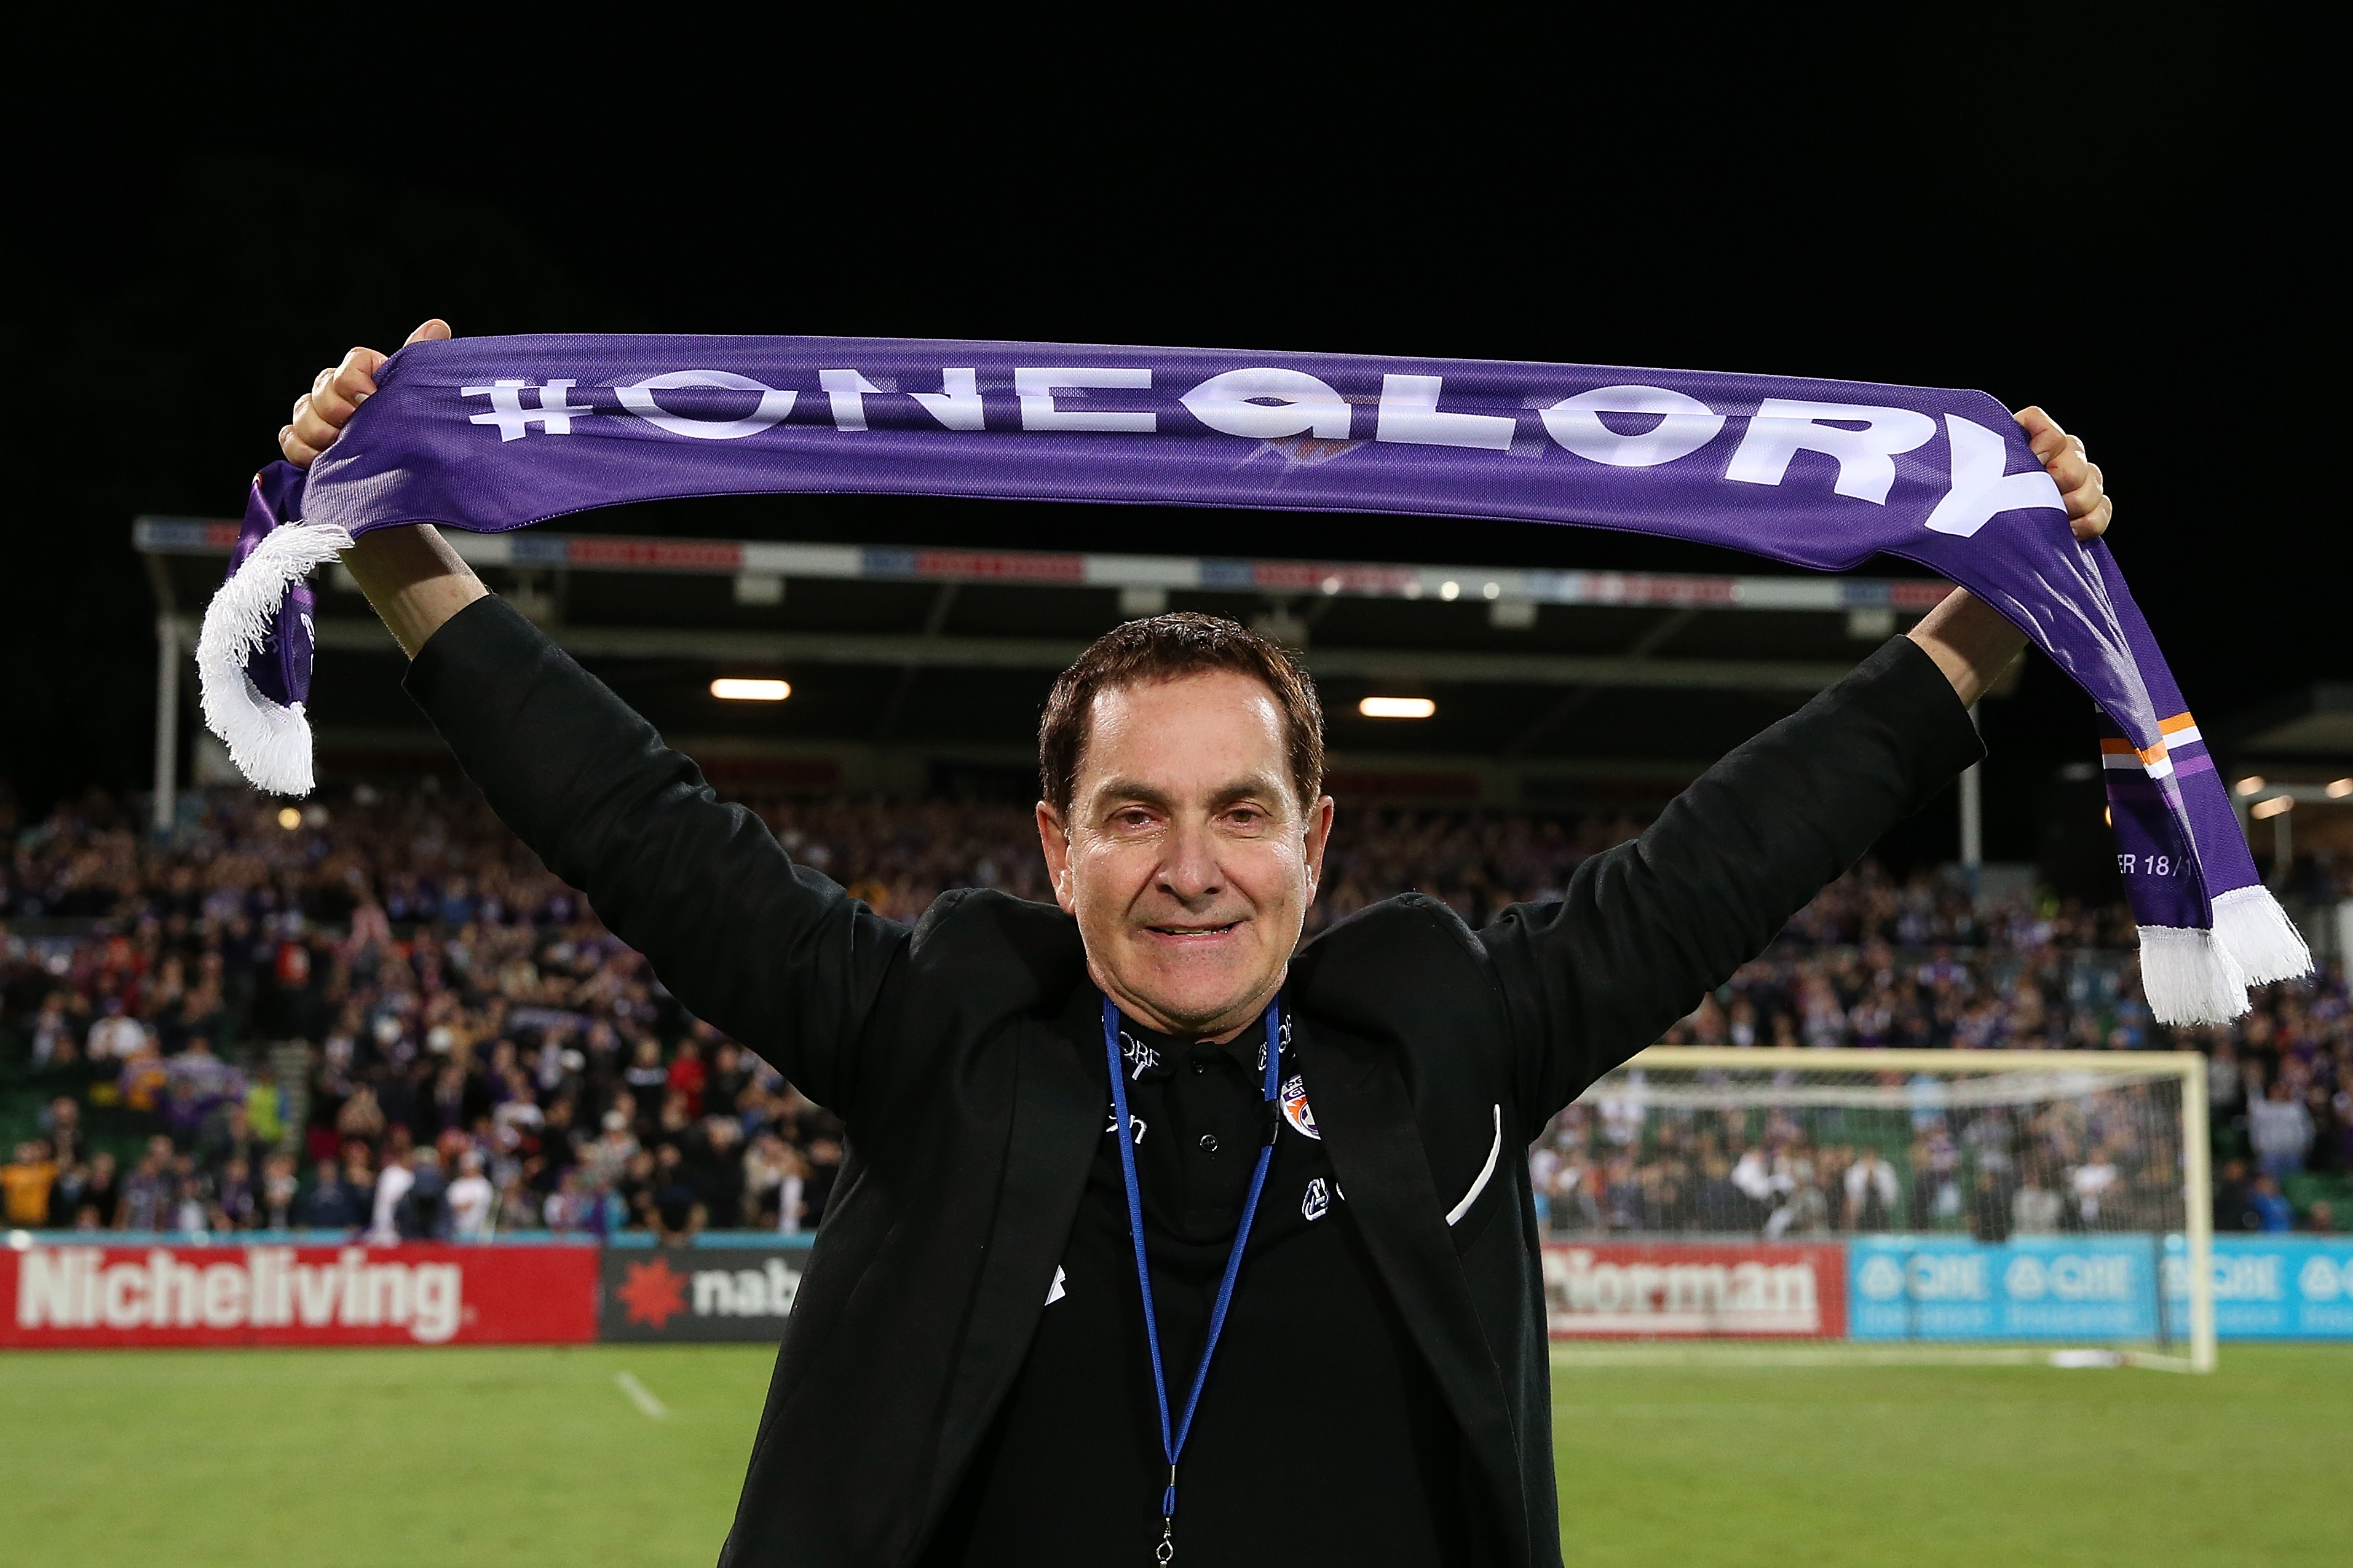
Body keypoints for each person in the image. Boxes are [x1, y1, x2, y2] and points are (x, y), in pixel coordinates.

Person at [285, 320, 2109, 1567]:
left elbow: (1727, 858)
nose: (1190, 867)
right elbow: (639, 828)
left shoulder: (1438, 1042)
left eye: (1239, 809)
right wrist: (404, 552)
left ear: (1315, 842)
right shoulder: (943, 1037)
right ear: (1054, 849)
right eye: (1132, 814)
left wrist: (1989, 612)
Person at [447, 1149, 496, 1240]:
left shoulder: (484, 1185)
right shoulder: (456, 1185)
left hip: (479, 1233)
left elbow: (485, 1206)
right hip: (457, 1231)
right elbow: (452, 1205)